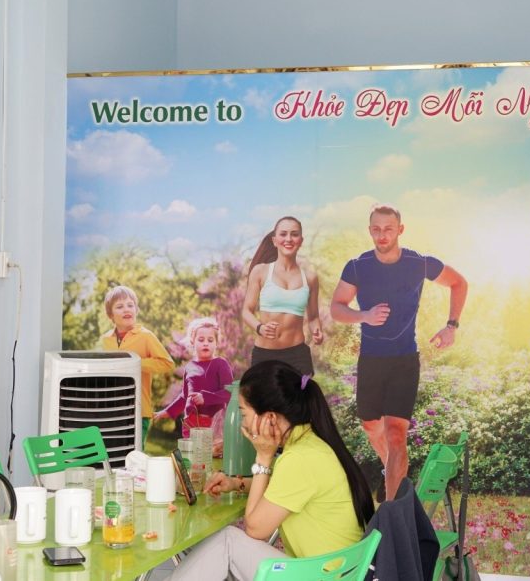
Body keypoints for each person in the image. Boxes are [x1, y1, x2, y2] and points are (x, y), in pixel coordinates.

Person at [170, 359, 373, 580]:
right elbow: (281, 485)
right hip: (330, 572)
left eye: (244, 413)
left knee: (229, 542)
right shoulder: (311, 443)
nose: (243, 423)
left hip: (319, 576)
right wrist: (237, 483)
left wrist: (263, 458)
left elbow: (255, 529)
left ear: (270, 418)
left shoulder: (299, 459)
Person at [330, 204, 467, 501]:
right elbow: (337, 308)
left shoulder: (419, 264)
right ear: (370, 230)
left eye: (388, 229)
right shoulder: (357, 267)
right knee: (370, 425)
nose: (382, 235)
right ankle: (390, 471)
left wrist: (451, 326)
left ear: (400, 230)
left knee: (395, 434)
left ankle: (393, 511)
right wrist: (364, 316)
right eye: (376, 229)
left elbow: (459, 283)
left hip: (405, 359)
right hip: (371, 359)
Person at [241, 216, 323, 376]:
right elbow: (246, 311)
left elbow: (313, 317)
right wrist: (260, 328)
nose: (289, 239)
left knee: (301, 393)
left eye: (294, 234)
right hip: (265, 355)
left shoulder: (310, 278)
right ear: (274, 240)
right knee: (262, 394)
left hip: (298, 356)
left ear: (301, 240)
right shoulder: (260, 271)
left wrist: (317, 330)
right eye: (283, 234)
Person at [98, 285, 175, 446]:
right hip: (111, 409)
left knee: (134, 457)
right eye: (120, 306)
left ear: (136, 310)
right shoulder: (106, 340)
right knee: (113, 454)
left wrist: (136, 363)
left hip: (138, 410)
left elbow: (167, 363)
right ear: (110, 315)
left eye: (130, 305)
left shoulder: (146, 336)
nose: (126, 309)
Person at [154, 316, 233, 438]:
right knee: (190, 451)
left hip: (214, 424)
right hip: (190, 423)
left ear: (216, 343)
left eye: (210, 340)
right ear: (192, 342)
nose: (206, 343)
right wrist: (168, 411)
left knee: (210, 451)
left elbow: (228, 393)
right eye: (201, 340)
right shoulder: (190, 367)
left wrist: (205, 398)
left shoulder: (221, 364)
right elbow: (184, 396)